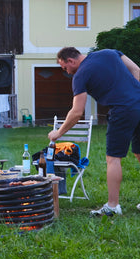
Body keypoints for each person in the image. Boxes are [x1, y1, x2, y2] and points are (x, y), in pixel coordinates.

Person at [50, 47, 140, 216]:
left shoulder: (80, 75)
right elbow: (136, 70)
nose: (67, 72)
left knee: (113, 159)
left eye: (65, 68)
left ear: (71, 60)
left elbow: (77, 112)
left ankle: (112, 206)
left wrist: (58, 133)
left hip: (122, 110)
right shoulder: (109, 53)